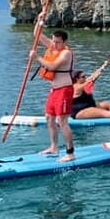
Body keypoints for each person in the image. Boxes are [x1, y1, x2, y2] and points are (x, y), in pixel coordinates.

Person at [31, 29, 75, 162]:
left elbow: (52, 66)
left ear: (64, 42)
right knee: (49, 118)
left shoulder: (66, 53)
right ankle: (54, 147)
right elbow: (37, 34)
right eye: (54, 41)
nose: (55, 44)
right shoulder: (53, 46)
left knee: (62, 121)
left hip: (64, 89)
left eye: (58, 42)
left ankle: (70, 153)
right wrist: (40, 20)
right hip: (54, 90)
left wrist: (37, 57)